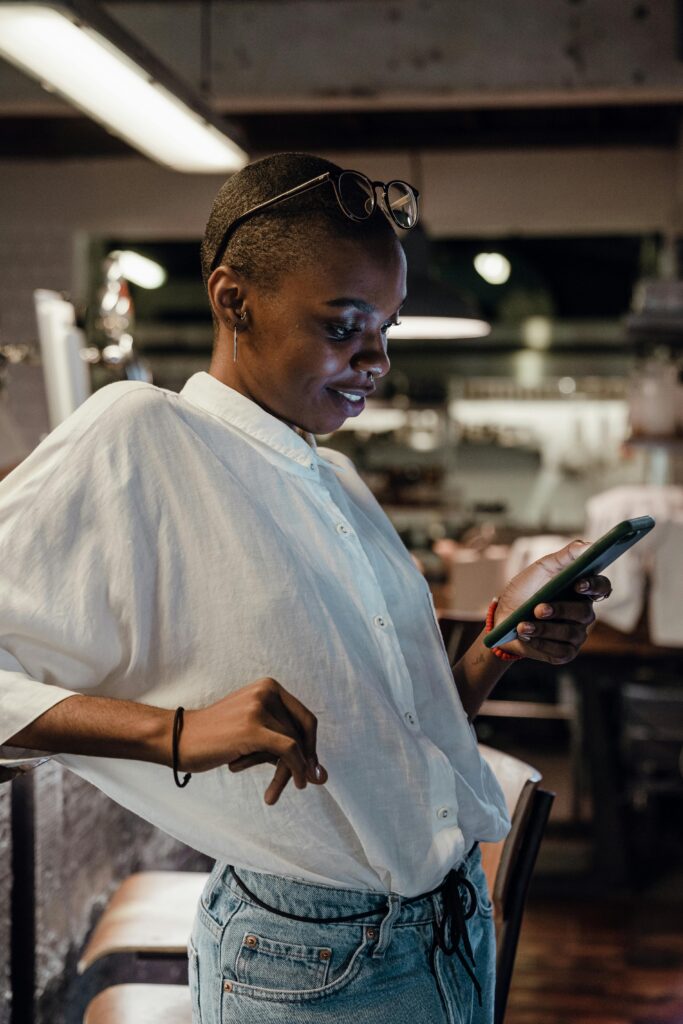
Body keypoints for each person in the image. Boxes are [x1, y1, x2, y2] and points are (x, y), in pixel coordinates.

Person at [0, 152, 610, 1024]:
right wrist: (175, 732)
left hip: (444, 930)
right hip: (308, 962)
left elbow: (396, 738)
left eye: (387, 331)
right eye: (343, 326)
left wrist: (496, 646)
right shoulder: (142, 432)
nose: (376, 360)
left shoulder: (335, 483)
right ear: (232, 300)